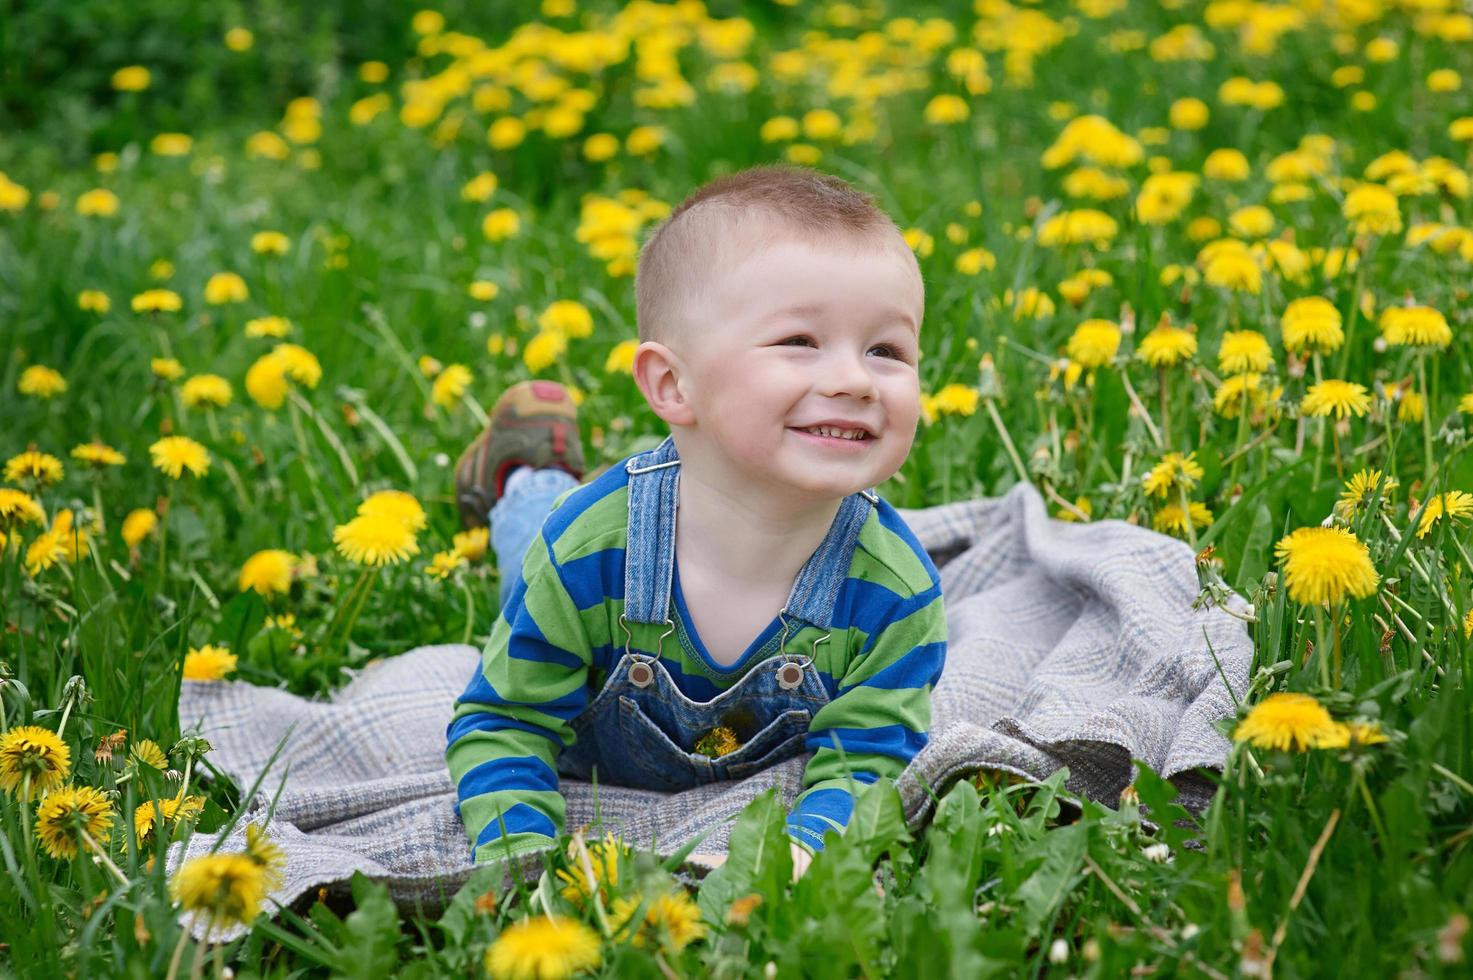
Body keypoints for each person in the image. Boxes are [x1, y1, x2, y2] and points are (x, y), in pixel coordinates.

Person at [445, 164, 946, 881]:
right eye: (799, 340)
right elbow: (504, 725)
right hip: (582, 562)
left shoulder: (895, 592)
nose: (855, 380)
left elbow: (866, 761)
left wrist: (800, 856)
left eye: (886, 351)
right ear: (673, 385)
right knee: (533, 534)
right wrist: (522, 861)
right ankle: (525, 473)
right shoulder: (586, 552)